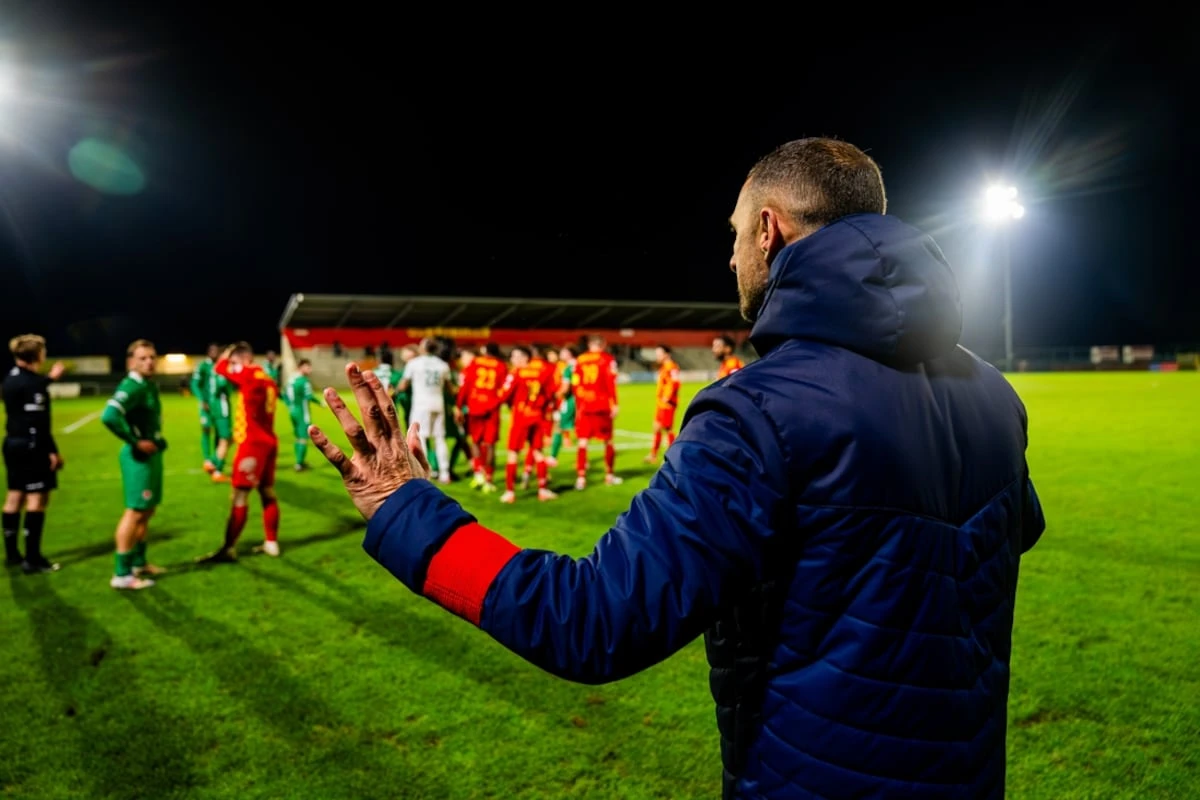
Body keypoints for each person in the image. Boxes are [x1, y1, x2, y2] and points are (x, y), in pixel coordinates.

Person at [310, 137, 1047, 800]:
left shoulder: (760, 411)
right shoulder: (992, 397)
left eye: (734, 235)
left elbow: (592, 621)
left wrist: (407, 507)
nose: (730, 258)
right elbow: (1003, 535)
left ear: (769, 230)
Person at [197, 342, 281, 562]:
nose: (233, 367)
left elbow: (220, 368)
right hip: (269, 441)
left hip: (252, 444)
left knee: (239, 495)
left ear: (244, 359)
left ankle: (228, 548)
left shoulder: (249, 374)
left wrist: (228, 355)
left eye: (236, 362)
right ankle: (271, 543)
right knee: (267, 491)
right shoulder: (267, 377)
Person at [101, 339, 168, 590]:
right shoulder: (132, 386)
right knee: (135, 511)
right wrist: (135, 441)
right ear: (131, 362)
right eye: (143, 358)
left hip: (151, 455)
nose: (149, 361)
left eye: (152, 357)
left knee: (147, 510)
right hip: (137, 458)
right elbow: (109, 415)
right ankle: (122, 574)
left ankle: (139, 563)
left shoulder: (148, 385)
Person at [2, 334, 65, 573]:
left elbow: (29, 386)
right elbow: (38, 421)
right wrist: (52, 451)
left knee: (14, 496)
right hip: (31, 445)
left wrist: (47, 379)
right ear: (36, 355)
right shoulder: (33, 384)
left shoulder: (10, 379)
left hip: (12, 443)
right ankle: (33, 559)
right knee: (37, 498)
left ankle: (12, 554)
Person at [496, 346, 557, 503]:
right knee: (538, 452)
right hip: (536, 417)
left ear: (525, 358)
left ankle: (510, 492)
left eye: (515, 356)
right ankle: (543, 490)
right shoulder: (541, 373)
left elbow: (504, 395)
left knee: (513, 454)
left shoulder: (516, 373)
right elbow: (550, 394)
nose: (512, 360)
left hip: (520, 418)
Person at [397, 338, 451, 484]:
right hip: (438, 403)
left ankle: (426, 472)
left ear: (423, 348)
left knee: (420, 438)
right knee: (440, 438)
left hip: (421, 404)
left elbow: (403, 384)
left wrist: (396, 388)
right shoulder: (443, 365)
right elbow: (449, 387)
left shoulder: (414, 363)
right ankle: (445, 474)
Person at [572, 335, 621, 490]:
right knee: (608, 441)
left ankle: (581, 478)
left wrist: (581, 402)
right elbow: (611, 382)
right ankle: (609, 475)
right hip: (602, 405)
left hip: (585, 406)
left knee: (582, 442)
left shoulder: (580, 360)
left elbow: (575, 384)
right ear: (603, 344)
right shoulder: (607, 359)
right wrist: (615, 404)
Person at [455, 343, 506, 492]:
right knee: (490, 445)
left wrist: (459, 405)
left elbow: (465, 385)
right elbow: (504, 389)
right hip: (491, 409)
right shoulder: (501, 365)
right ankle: (489, 479)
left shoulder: (475, 363)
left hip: (475, 406)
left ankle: (478, 474)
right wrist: (496, 403)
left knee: (476, 441)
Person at [644, 344, 680, 463]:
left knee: (667, 429)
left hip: (667, 403)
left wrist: (667, 397)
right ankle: (653, 455)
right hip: (661, 403)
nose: (657, 356)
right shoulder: (664, 367)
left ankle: (672, 456)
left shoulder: (672, 367)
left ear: (666, 354)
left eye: (659, 354)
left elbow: (675, 382)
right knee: (656, 427)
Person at [286, 358, 323, 471]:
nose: (310, 370)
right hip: (302, 412)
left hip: (292, 411)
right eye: (308, 367)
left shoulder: (291, 380)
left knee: (298, 437)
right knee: (303, 438)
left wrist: (290, 406)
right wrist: (321, 403)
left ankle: (300, 461)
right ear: (301, 367)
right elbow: (309, 396)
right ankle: (299, 464)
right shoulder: (304, 381)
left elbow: (285, 395)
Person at [190, 343, 221, 473]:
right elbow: (195, 384)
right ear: (208, 352)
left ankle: (216, 458)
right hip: (206, 405)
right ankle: (207, 458)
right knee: (206, 429)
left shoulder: (220, 366)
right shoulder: (203, 366)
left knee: (219, 433)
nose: (214, 353)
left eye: (216, 351)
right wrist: (202, 400)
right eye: (212, 351)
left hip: (218, 405)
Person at [546, 345, 577, 467]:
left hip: (570, 401)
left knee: (558, 426)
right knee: (581, 430)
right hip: (583, 400)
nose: (561, 354)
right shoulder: (581, 364)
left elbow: (565, 388)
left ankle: (553, 457)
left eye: (563, 351)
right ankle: (582, 461)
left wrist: (555, 396)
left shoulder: (568, 368)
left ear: (570, 353)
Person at [209, 362, 234, 484]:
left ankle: (212, 462)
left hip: (216, 409)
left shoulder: (214, 373)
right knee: (226, 439)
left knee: (226, 439)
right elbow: (223, 384)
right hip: (222, 411)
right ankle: (217, 470)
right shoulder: (221, 375)